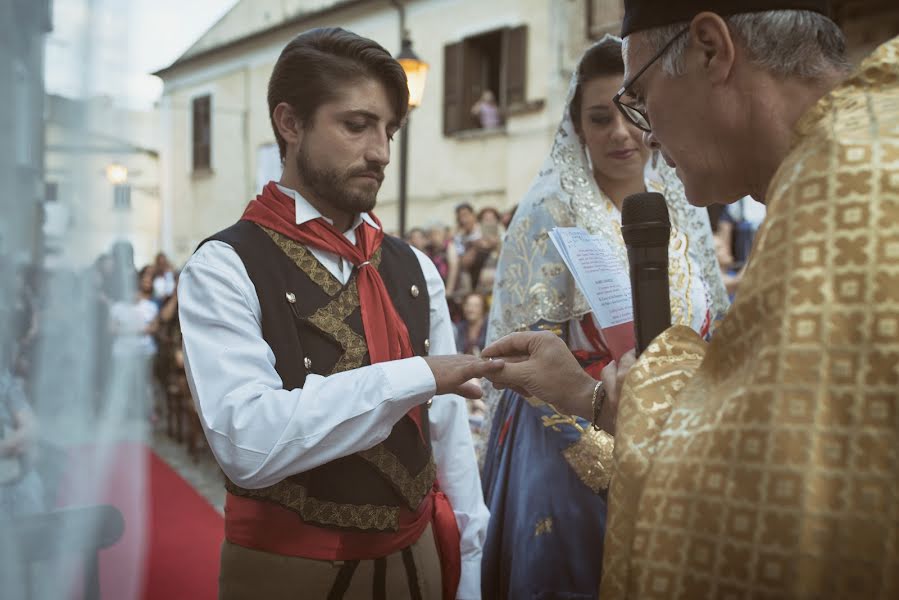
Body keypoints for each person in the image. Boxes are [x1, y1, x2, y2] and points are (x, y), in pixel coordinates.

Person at [483, 3, 899, 598]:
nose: (643, 131)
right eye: (612, 115)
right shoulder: (861, 151)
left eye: (641, 96)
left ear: (710, 49)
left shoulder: (839, 197)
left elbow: (758, 492)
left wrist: (597, 395)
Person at [177, 28, 501, 600]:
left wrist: (469, 565)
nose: (380, 151)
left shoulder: (415, 267)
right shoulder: (224, 265)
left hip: (421, 566)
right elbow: (247, 442)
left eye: (389, 130)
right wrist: (419, 375)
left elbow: (448, 441)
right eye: (356, 125)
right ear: (290, 123)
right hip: (289, 576)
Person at [478, 35, 728, 599]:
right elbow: (524, 353)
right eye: (598, 118)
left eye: (631, 113)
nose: (619, 133)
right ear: (577, 130)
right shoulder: (551, 211)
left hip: (678, 442)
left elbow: (719, 316)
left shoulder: (683, 198)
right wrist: (600, 446)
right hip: (567, 444)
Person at [453, 292, 489, 356]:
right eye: (468, 305)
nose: (470, 309)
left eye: (476, 306)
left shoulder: (489, 327)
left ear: (483, 308)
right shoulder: (459, 328)